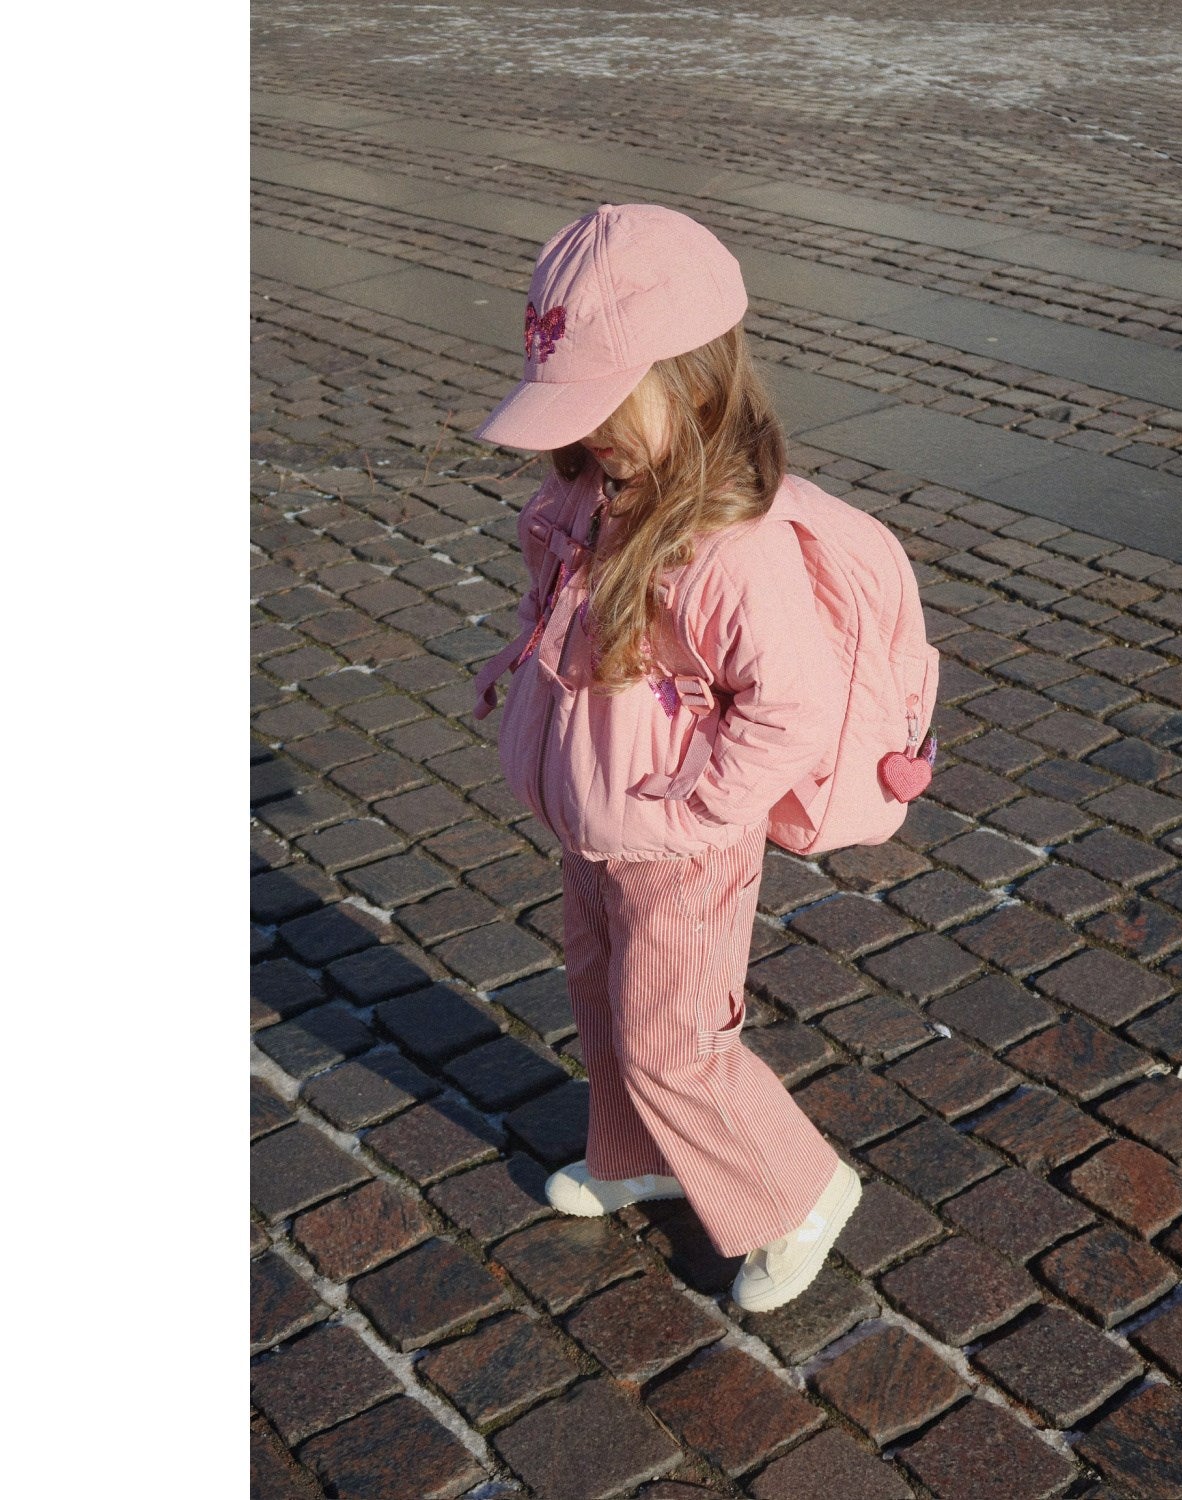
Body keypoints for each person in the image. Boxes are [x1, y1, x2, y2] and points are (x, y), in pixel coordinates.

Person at [470, 202, 862, 1313]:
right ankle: (638, 1153)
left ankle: (799, 1193)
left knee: (673, 1042)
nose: (586, 430)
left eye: (605, 401)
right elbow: (558, 615)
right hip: (599, 825)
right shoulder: (594, 495)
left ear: (693, 383)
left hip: (681, 846)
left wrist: (700, 808)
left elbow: (791, 705)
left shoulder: (731, 550)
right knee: (602, 1001)